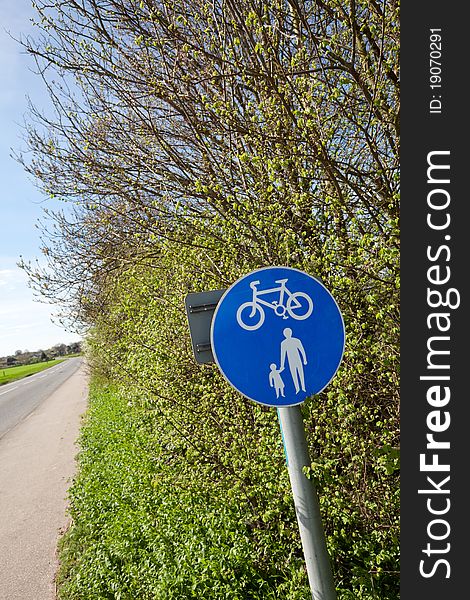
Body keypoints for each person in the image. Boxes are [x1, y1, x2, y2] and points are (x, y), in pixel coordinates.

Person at [280, 328, 307, 394]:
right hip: (291, 361)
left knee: (301, 373)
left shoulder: (296, 340)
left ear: (290, 333)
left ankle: (303, 387)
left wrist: (304, 359)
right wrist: (282, 365)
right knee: (294, 375)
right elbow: (283, 355)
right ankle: (297, 389)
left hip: (298, 359)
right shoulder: (283, 343)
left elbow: (302, 350)